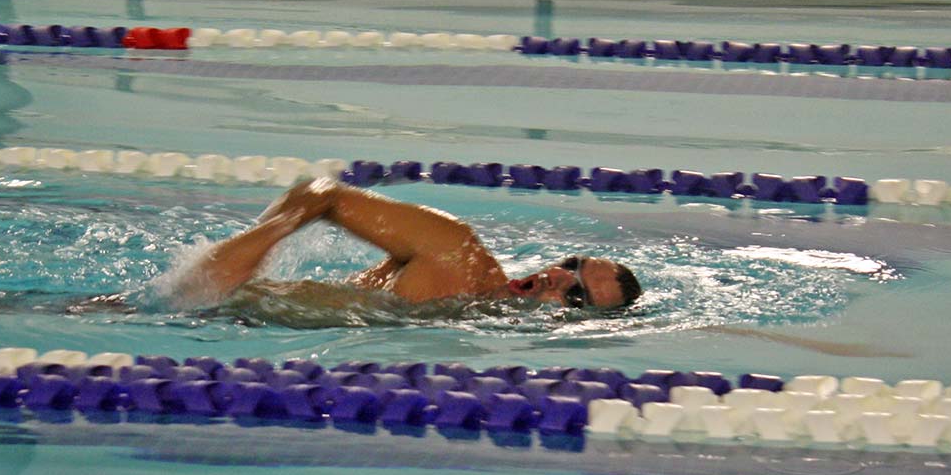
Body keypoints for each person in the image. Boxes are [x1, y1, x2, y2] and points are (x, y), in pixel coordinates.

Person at [184, 178, 641, 311]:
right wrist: (230, 268)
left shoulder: (470, 316)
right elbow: (322, 194)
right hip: (204, 304)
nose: (557, 276)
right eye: (571, 263)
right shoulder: (459, 254)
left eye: (575, 294)